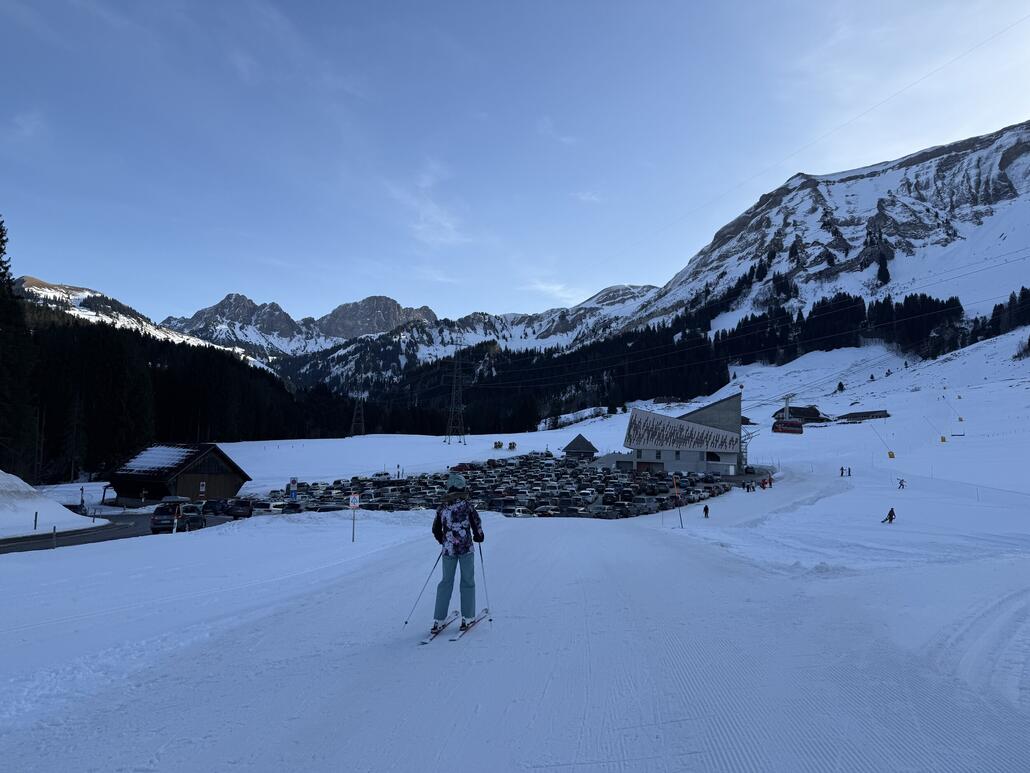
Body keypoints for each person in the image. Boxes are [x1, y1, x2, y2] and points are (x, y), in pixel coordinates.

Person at [431, 473, 485, 633]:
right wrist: (479, 536)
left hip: (448, 550)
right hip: (466, 548)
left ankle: (438, 619)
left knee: (446, 582)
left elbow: (435, 529)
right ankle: (467, 617)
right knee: (467, 581)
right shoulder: (467, 505)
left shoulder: (442, 506)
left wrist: (445, 541)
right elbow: (476, 524)